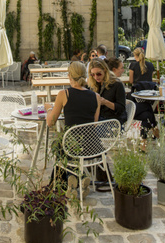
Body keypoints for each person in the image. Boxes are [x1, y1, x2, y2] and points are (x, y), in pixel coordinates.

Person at [46, 61, 101, 198]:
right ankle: (78, 178)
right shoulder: (96, 97)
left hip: (71, 146)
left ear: (69, 75)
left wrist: (49, 109)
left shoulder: (64, 94)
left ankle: (69, 180)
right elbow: (93, 124)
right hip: (92, 146)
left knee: (58, 146)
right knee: (64, 145)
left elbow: (50, 122)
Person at [128, 48, 158, 149]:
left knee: (146, 112)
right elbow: (151, 78)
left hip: (137, 95)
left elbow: (131, 80)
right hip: (149, 95)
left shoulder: (133, 65)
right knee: (147, 113)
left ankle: (146, 138)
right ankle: (153, 129)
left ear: (134, 55)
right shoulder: (150, 65)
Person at [88, 58, 127, 126]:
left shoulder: (117, 84)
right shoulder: (94, 84)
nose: (96, 77)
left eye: (99, 74)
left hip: (113, 120)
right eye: (93, 74)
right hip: (98, 119)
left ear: (105, 70)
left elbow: (121, 108)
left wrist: (105, 102)